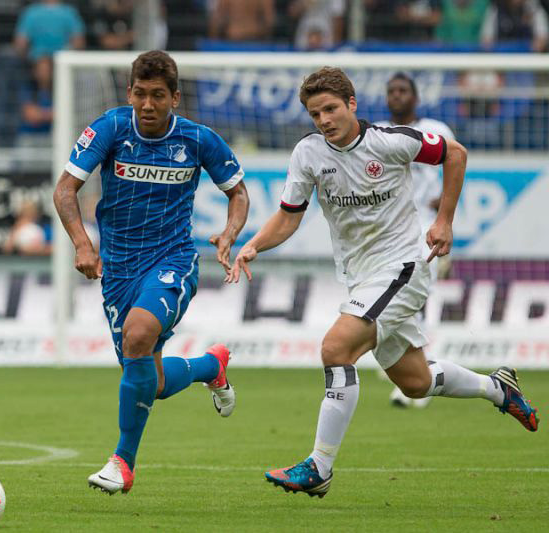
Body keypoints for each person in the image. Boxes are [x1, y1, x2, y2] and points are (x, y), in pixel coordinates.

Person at [227, 67, 539, 499]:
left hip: (403, 266)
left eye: (331, 109)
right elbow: (288, 215)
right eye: (315, 114)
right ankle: (498, 389)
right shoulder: (308, 153)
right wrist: (254, 245)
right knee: (415, 381)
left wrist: (444, 221)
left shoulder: (390, 141)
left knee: (335, 349)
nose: (324, 120)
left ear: (352, 104)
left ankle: (319, 467)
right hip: (362, 277)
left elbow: (456, 154)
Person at [53, 50, 250, 495]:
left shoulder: (198, 139)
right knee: (152, 381)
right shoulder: (110, 128)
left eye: (158, 95)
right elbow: (65, 189)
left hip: (172, 261)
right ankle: (210, 365)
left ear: (174, 98)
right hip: (119, 269)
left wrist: (229, 233)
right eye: (140, 94)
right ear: (129, 93)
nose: (147, 104)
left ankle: (122, 463)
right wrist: (82, 244)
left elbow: (238, 192)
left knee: (139, 334)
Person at [375, 72, 456, 408]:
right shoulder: (376, 132)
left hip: (426, 226)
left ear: (415, 97)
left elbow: (455, 165)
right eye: (391, 91)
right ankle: (414, 373)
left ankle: (420, 377)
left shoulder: (437, 130)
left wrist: (446, 208)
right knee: (392, 298)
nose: (396, 95)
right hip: (388, 229)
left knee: (417, 296)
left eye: (402, 90)